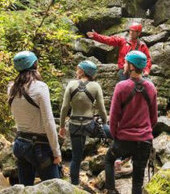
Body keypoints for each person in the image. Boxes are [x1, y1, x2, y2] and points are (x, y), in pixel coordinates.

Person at [104, 51, 158, 194]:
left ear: (132, 66)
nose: (124, 65)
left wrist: (116, 136)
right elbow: (154, 119)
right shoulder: (151, 88)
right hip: (144, 140)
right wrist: (144, 131)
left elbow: (114, 117)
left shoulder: (121, 86)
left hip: (124, 139)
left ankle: (110, 190)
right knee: (138, 181)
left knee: (109, 159)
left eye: (126, 62)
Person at [8, 51, 61, 186]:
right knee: (54, 187)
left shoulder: (11, 88)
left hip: (20, 144)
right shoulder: (40, 87)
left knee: (25, 188)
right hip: (39, 147)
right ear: (35, 64)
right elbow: (48, 122)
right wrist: (56, 152)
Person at [58, 60, 108, 186]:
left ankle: (74, 184)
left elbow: (64, 108)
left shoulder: (71, 84)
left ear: (83, 71)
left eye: (78, 69)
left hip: (74, 124)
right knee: (112, 133)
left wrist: (62, 126)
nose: (76, 71)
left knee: (76, 157)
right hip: (89, 125)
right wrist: (105, 122)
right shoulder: (95, 86)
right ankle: (119, 158)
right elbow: (102, 109)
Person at [87, 23, 152, 81]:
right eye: (130, 30)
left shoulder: (142, 45)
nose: (131, 32)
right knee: (124, 88)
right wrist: (96, 36)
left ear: (138, 33)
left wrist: (146, 70)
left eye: (134, 31)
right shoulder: (123, 40)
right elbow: (109, 40)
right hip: (123, 70)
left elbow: (148, 59)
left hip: (135, 71)